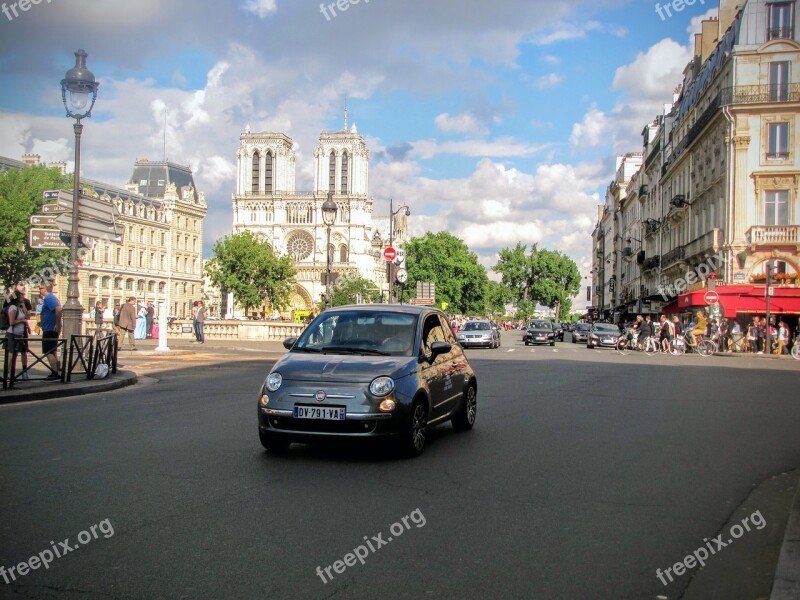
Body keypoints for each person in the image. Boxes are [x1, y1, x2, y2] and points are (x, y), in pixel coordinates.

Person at [38, 283, 62, 380]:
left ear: (45, 289)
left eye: (40, 288)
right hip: (51, 328)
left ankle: (55, 373)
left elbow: (58, 309)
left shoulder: (49, 298)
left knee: (49, 352)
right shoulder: (51, 298)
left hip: (50, 329)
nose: (39, 290)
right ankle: (56, 371)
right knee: (53, 351)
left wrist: (57, 323)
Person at [5, 290, 31, 380]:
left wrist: (23, 306)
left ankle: (12, 375)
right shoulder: (13, 307)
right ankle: (7, 375)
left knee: (19, 354)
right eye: (21, 296)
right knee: (11, 355)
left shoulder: (20, 307)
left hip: (20, 334)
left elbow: (28, 317)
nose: (23, 298)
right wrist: (22, 321)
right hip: (12, 334)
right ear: (16, 298)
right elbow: (11, 322)